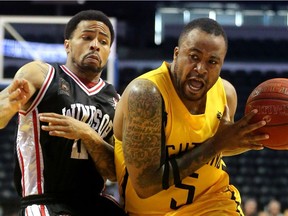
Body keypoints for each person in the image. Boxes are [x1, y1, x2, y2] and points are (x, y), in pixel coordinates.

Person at [113, 17, 269, 215]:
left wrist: (238, 140)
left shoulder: (226, 94)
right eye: (194, 57)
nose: (201, 69)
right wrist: (217, 144)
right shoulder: (146, 95)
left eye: (212, 62)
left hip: (214, 204)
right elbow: (145, 185)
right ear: (176, 54)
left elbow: (208, 146)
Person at [0, 10, 126, 215]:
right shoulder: (42, 74)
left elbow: (113, 172)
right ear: (67, 44)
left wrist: (86, 133)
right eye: (87, 37)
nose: (95, 45)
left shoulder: (116, 101)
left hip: (94, 203)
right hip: (45, 202)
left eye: (103, 42)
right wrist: (11, 104)